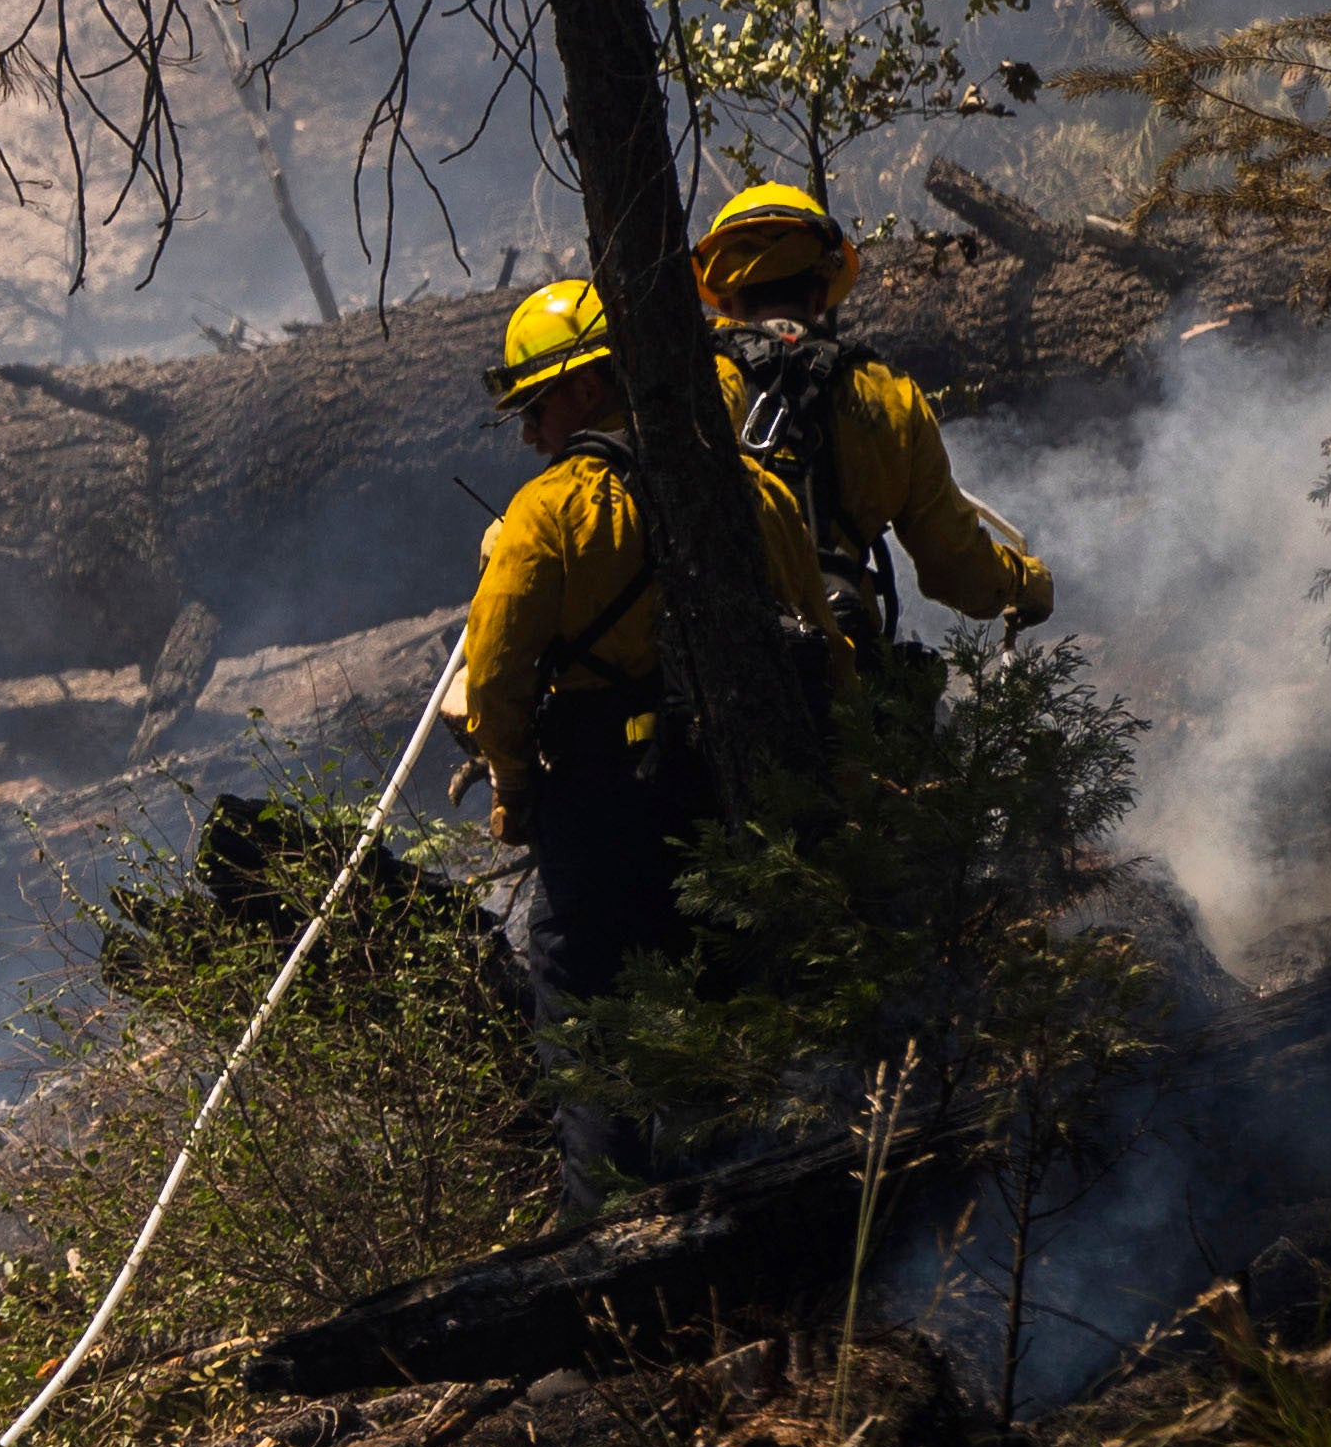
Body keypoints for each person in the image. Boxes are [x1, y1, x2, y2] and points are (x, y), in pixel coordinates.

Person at [447, 271, 835, 1034]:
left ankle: (611, 1157)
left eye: (536, 406)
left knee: (585, 1026)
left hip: (598, 805)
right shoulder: (750, 488)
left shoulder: (544, 513)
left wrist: (515, 786)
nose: (529, 432)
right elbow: (825, 644)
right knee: (733, 1006)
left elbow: (493, 682)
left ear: (588, 387)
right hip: (733, 796)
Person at [693, 179, 1055, 676]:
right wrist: (1025, 583)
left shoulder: (683, 388)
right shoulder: (887, 395)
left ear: (724, 295)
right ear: (821, 294)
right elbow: (956, 569)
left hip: (702, 676)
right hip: (840, 682)